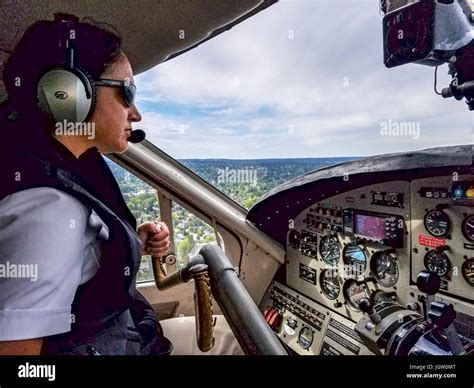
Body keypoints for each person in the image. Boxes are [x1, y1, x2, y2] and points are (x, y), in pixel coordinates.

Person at [0, 14, 173, 355]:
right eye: (127, 92)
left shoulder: (58, 168)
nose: (135, 114)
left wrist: (127, 244)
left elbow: (75, 266)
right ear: (67, 95)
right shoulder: (48, 210)